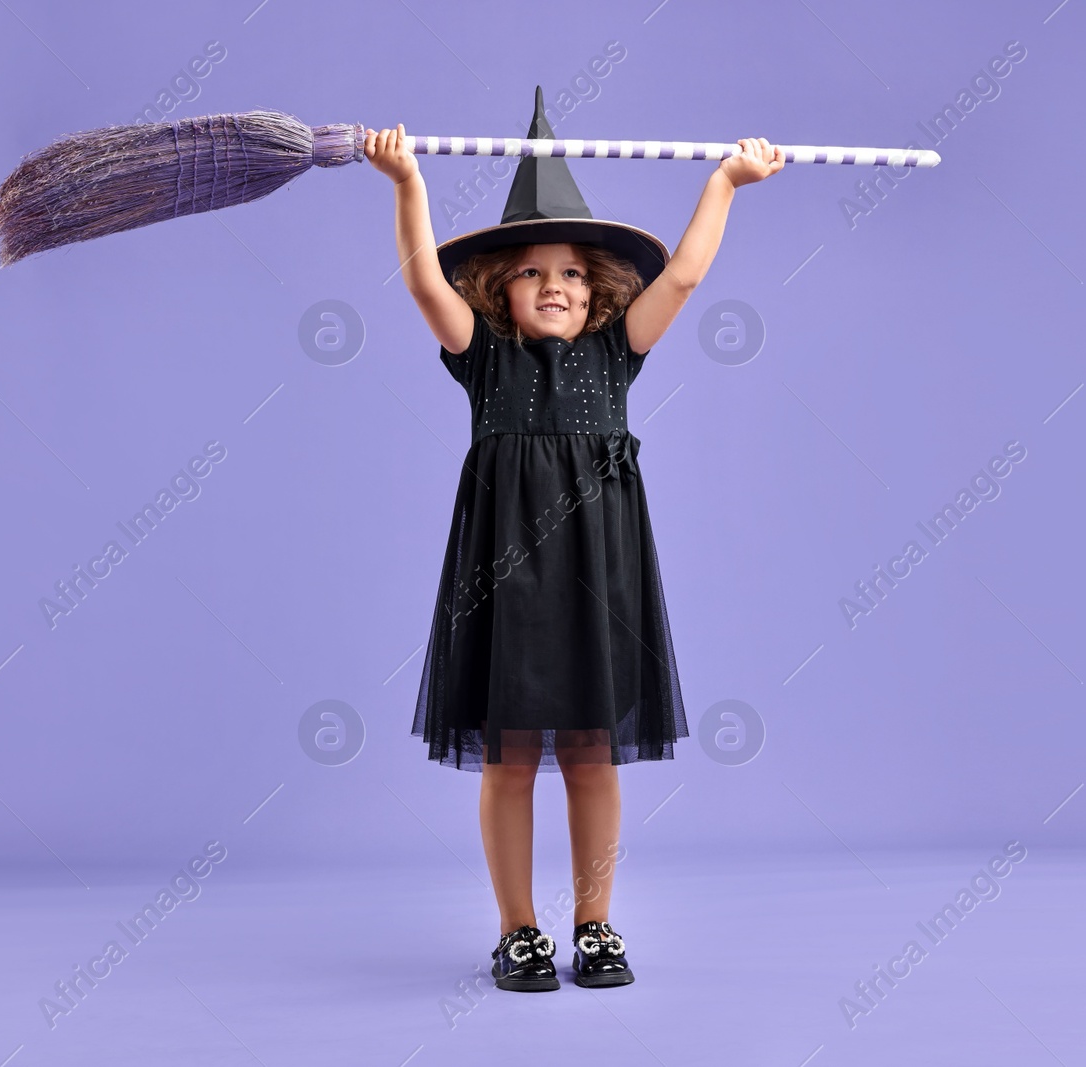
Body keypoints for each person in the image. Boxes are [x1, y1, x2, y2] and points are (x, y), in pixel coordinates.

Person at [366, 86, 784, 992]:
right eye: (531, 271)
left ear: (594, 291)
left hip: (602, 570)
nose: (553, 284)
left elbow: (682, 276)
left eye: (570, 273)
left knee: (592, 754)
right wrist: (406, 180)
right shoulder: (482, 357)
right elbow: (420, 279)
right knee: (511, 756)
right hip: (504, 577)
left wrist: (726, 182)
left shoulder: (615, 355)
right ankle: (518, 929)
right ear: (499, 287)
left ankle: (595, 924)